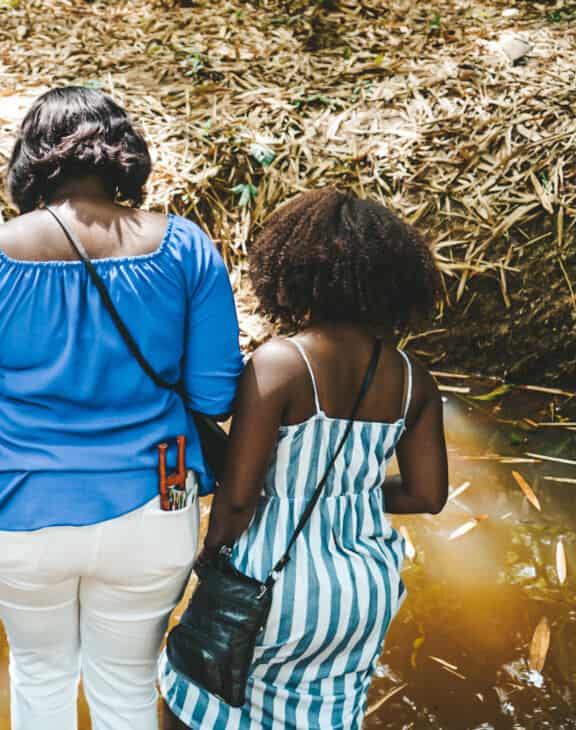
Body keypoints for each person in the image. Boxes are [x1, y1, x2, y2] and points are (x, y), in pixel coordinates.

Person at [0, 86, 242, 730]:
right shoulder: (186, 248)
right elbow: (214, 394)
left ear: (31, 162)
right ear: (126, 158)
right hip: (157, 502)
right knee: (126, 689)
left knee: (41, 676)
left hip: (17, 508)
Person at [159, 189, 450, 729]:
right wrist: (351, 494)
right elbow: (427, 496)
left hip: (273, 583)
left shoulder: (280, 364)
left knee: (196, 703)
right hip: (365, 588)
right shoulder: (414, 378)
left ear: (292, 273)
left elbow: (240, 498)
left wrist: (209, 556)